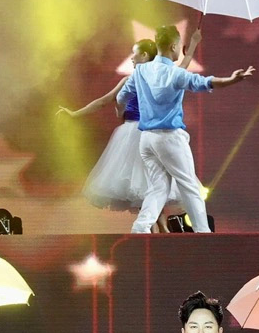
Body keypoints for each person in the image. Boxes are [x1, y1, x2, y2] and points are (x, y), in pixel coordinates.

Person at [116, 25, 255, 234]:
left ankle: (141, 228)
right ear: (173, 46)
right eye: (180, 46)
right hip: (169, 138)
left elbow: (121, 98)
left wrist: (123, 109)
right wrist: (232, 79)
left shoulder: (141, 71)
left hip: (147, 140)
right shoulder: (176, 74)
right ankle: (203, 233)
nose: (180, 50)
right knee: (189, 186)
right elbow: (205, 82)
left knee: (159, 187)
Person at [60, 36, 196, 231]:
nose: (132, 59)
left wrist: (192, 47)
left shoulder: (149, 77)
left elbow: (105, 101)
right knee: (149, 185)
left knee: (152, 184)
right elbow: (104, 100)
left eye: (135, 55)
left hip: (144, 134)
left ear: (145, 55)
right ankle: (159, 229)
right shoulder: (139, 78)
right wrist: (74, 114)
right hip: (138, 134)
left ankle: (159, 229)